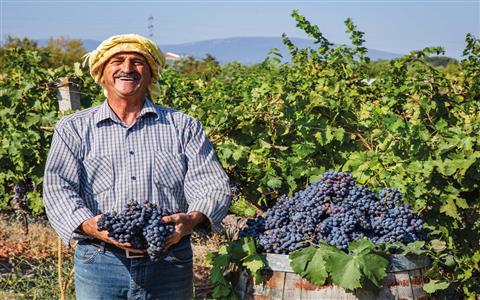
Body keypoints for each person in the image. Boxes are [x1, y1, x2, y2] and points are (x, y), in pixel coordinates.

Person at [43, 34, 231, 299]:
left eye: (138, 62)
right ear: (102, 72)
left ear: (151, 72)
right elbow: (58, 188)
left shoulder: (183, 126)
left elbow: (212, 184)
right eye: (117, 61)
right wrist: (89, 225)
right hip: (100, 263)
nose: (127, 68)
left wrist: (190, 220)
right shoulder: (73, 128)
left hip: (169, 262)